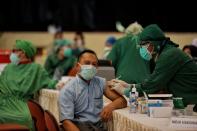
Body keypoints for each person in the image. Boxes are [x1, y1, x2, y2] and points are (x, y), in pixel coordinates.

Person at [110, 24, 197, 107]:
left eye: (143, 45)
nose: (141, 48)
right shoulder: (165, 54)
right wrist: (130, 86)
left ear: (154, 43)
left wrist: (126, 91)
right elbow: (154, 82)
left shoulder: (169, 55)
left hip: (193, 102)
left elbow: (153, 84)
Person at [59, 50, 127, 131]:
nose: (91, 67)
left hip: (98, 127)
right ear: (77, 66)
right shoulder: (68, 90)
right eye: (87, 63)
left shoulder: (100, 82)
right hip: (77, 127)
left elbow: (122, 101)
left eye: (94, 64)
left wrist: (110, 106)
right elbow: (66, 122)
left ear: (97, 68)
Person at [0, 40, 58, 130]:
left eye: (14, 50)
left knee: (23, 119)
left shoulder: (35, 69)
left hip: (18, 106)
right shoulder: (9, 67)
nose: (12, 53)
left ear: (22, 52)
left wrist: (60, 84)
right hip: (2, 103)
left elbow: (48, 82)